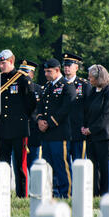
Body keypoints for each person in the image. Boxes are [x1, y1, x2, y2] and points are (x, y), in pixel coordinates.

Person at [0, 50, 36, 198]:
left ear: (11, 61)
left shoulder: (23, 79)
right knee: (4, 164)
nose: (1, 66)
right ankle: (4, 193)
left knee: (20, 165)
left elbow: (31, 103)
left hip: (19, 127)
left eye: (4, 62)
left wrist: (22, 117)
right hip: (4, 127)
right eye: (0, 63)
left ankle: (21, 194)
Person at [36, 58, 76, 198]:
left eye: (49, 71)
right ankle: (53, 192)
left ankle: (67, 193)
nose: (46, 74)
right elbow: (40, 105)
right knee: (48, 164)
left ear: (57, 70)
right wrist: (40, 119)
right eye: (45, 71)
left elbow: (67, 106)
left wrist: (50, 122)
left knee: (61, 165)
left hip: (59, 132)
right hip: (46, 134)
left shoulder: (66, 86)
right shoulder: (47, 86)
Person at [81, 64, 109, 197]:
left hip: (105, 136)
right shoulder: (92, 91)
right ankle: (95, 193)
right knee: (93, 167)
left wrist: (91, 129)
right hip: (92, 136)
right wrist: (84, 126)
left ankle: (106, 194)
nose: (89, 79)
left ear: (99, 78)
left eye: (91, 77)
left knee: (105, 167)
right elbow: (87, 111)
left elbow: (106, 116)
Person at [62, 53, 92, 161]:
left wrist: (86, 126)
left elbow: (89, 108)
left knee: (79, 164)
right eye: (65, 65)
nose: (66, 68)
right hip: (62, 132)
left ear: (76, 67)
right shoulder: (58, 85)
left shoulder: (84, 85)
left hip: (79, 131)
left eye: (69, 65)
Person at [18, 59, 43, 171]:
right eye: (20, 73)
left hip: (34, 132)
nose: (22, 76)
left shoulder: (39, 90)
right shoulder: (14, 89)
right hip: (18, 131)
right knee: (19, 165)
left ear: (32, 74)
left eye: (26, 73)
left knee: (34, 165)